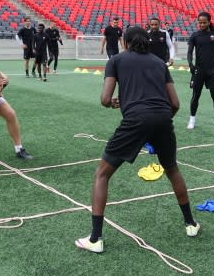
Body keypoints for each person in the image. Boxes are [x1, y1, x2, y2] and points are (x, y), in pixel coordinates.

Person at [75, 26, 200, 253]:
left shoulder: (116, 60)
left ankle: (95, 239)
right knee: (172, 169)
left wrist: (113, 102)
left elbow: (104, 99)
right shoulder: (160, 63)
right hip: (163, 118)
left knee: (102, 174)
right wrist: (157, 125)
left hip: (135, 121)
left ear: (125, 42)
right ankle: (190, 223)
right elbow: (175, 104)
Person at [186, 12, 214, 133]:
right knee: (195, 96)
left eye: (204, 22)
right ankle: (192, 120)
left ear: (209, 22)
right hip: (198, 71)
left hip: (212, 71)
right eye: (200, 22)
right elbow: (189, 52)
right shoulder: (195, 35)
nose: (202, 24)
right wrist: (190, 64)